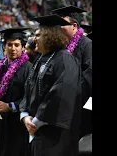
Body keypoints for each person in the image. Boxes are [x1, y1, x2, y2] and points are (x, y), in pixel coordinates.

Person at [19, 15, 82, 156]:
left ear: (50, 36)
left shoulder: (65, 60)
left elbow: (61, 94)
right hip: (36, 131)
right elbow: (28, 89)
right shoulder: (40, 60)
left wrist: (36, 120)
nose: (34, 39)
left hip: (55, 135)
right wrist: (24, 115)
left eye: (38, 35)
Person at [0, 28, 32, 156]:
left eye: (17, 45)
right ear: (4, 46)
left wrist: (10, 106)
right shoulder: (0, 67)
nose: (13, 48)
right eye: (9, 45)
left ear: (23, 47)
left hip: (16, 125)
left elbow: (30, 98)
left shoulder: (28, 68)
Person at [52, 6, 92, 138]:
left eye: (61, 24)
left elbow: (88, 78)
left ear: (74, 26)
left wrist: (67, 95)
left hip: (79, 110)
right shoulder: (61, 48)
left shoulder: (87, 45)